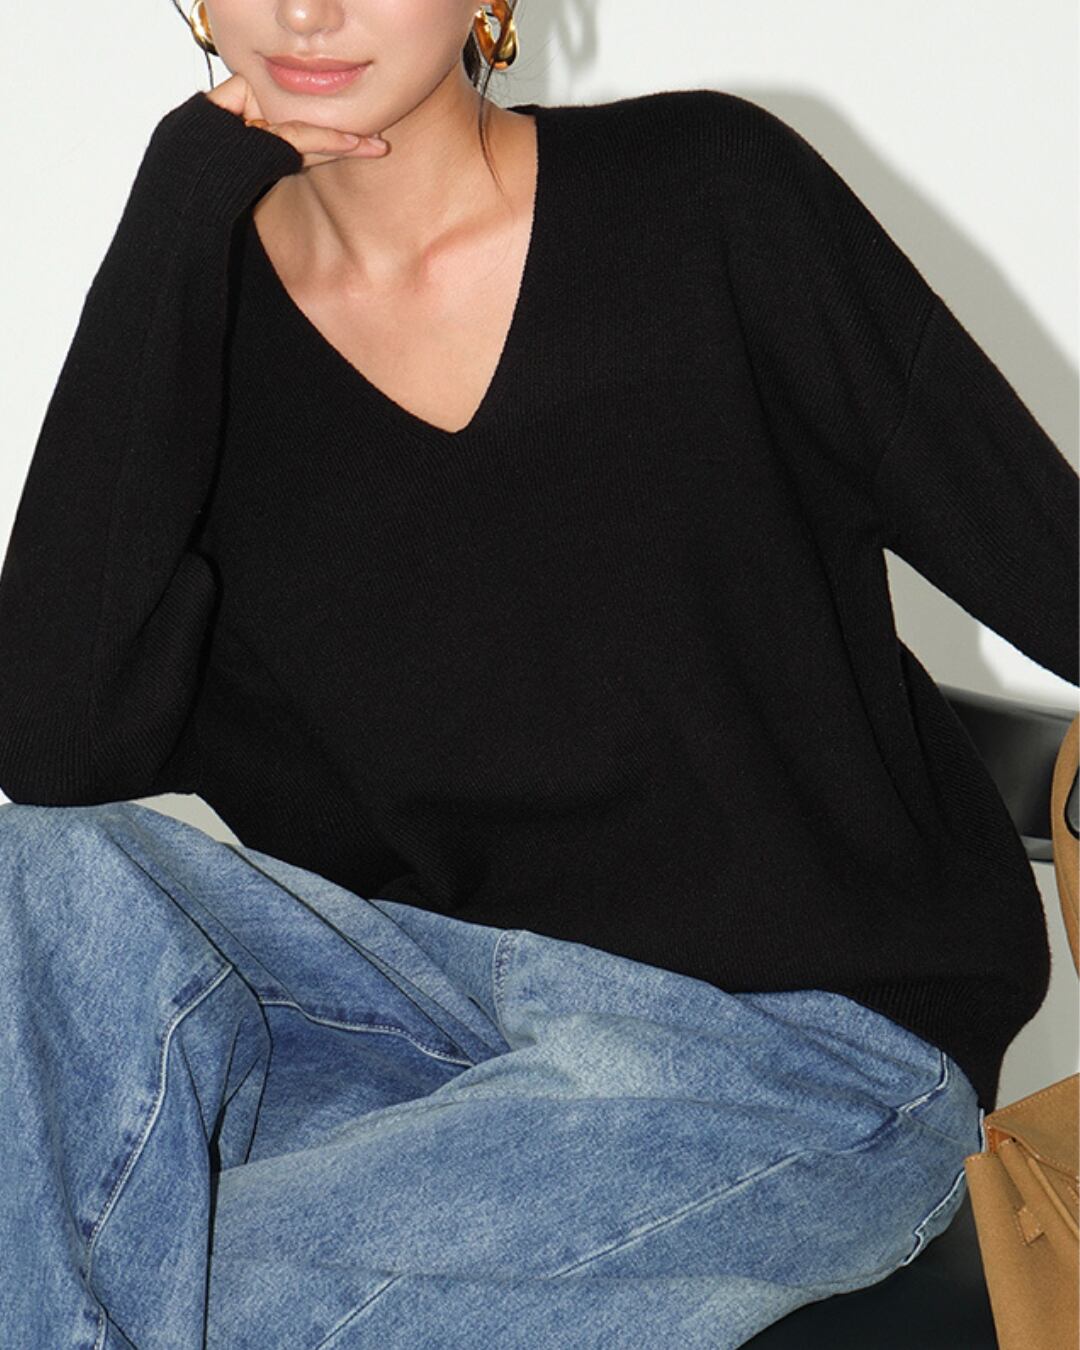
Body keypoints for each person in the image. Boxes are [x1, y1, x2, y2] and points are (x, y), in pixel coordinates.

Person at [0, 2, 1075, 1345]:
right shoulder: (197, 328)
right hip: (428, 1034)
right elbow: (54, 757)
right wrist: (174, 215)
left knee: (168, 1281)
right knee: (36, 879)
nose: (305, 10)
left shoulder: (710, 198)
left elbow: (1051, 564)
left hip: (802, 1053)